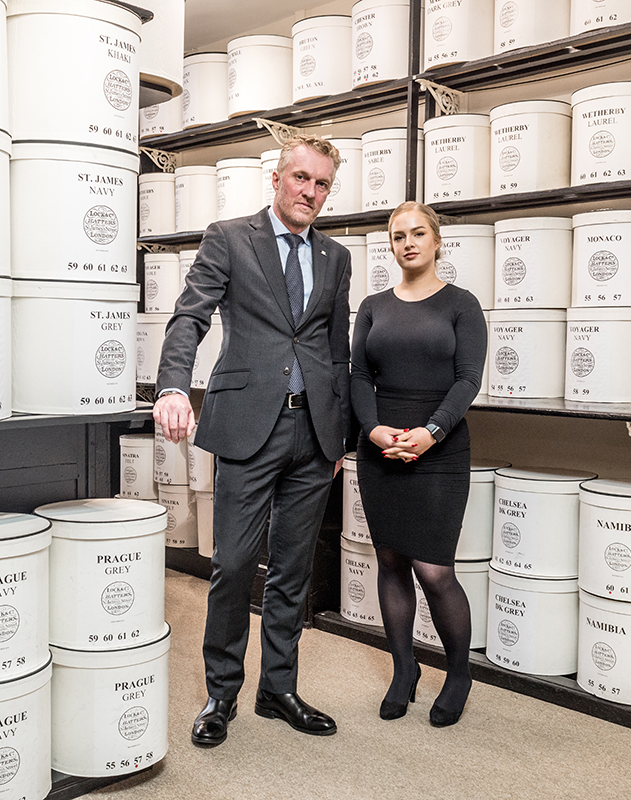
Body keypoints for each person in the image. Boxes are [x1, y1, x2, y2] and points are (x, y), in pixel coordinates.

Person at [152, 134, 352, 747]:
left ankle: (278, 689)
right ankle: (221, 694)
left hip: (314, 431)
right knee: (234, 562)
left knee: (294, 568)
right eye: (302, 179)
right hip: (248, 425)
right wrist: (173, 387)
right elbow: (191, 314)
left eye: (322, 184)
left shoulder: (337, 257)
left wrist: (339, 432)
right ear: (277, 177)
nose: (310, 193)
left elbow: (335, 348)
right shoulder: (229, 237)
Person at [349, 201, 487, 727]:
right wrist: (374, 430)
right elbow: (359, 377)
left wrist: (431, 432)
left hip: (441, 448)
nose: (408, 243)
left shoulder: (461, 304)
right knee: (389, 561)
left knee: (434, 569)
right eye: (398, 235)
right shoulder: (373, 306)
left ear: (436, 242)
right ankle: (403, 670)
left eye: (417, 234)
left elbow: (468, 379)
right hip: (380, 447)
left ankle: (457, 674)